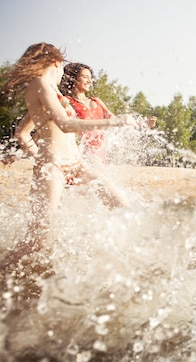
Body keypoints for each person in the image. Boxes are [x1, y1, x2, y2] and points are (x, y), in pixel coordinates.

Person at [0, 43, 136, 277]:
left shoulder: (53, 90)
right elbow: (65, 125)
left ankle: (125, 259)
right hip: (53, 169)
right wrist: (114, 122)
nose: (63, 70)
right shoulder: (39, 84)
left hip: (77, 165)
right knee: (36, 240)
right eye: (62, 64)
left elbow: (24, 131)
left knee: (121, 206)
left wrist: (24, 152)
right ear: (55, 62)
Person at [59, 62, 156, 163]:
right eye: (85, 77)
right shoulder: (67, 101)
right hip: (80, 154)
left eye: (90, 77)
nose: (89, 81)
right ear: (73, 78)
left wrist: (143, 124)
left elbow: (116, 122)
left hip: (99, 153)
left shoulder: (96, 101)